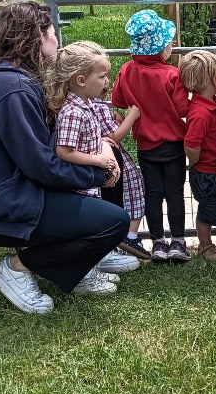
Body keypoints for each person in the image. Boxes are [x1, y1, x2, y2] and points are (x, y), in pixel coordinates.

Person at [0, 1, 132, 315]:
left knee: (111, 169)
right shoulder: (12, 88)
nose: (57, 40)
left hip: (3, 192)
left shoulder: (11, 80)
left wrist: (101, 163)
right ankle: (17, 267)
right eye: (52, 31)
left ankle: (81, 263)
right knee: (113, 223)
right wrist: (96, 174)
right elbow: (40, 164)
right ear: (36, 35)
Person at [48, 40, 146, 263]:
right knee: (90, 222)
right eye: (101, 77)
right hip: (82, 180)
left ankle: (103, 255)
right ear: (81, 80)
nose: (106, 82)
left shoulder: (87, 105)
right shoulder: (73, 111)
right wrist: (99, 160)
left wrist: (103, 148)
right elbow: (64, 151)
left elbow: (99, 137)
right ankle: (90, 263)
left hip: (94, 175)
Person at [111, 9, 190, 264]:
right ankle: (178, 240)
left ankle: (157, 242)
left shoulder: (126, 71)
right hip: (174, 145)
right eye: (168, 43)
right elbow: (182, 109)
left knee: (153, 193)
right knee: (175, 192)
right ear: (161, 49)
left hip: (146, 145)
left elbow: (117, 100)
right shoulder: (171, 75)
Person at [180, 50, 216, 261]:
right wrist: (195, 162)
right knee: (207, 211)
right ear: (214, 78)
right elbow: (192, 145)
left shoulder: (214, 104)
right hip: (207, 172)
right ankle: (205, 245)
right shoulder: (200, 112)